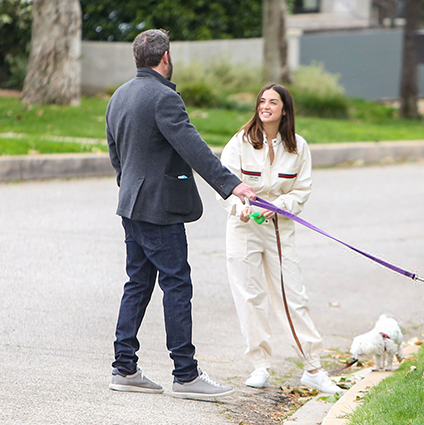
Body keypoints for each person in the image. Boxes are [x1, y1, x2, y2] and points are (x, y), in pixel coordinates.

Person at [105, 29, 256, 399]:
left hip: (131, 204)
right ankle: (186, 375)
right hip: (159, 209)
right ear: (166, 57)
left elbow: (115, 153)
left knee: (137, 283)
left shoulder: (119, 96)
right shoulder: (164, 98)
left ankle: (124, 367)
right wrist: (231, 184)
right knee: (176, 284)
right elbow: (193, 147)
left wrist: (130, 187)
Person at [218, 83, 343, 394]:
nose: (265, 106)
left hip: (279, 229)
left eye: (273, 102)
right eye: (262, 101)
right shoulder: (240, 141)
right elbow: (224, 182)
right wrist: (239, 208)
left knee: (292, 297)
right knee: (250, 297)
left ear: (284, 109)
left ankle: (312, 367)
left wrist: (280, 207)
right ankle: (260, 365)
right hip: (243, 228)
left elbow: (302, 191)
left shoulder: (298, 147)